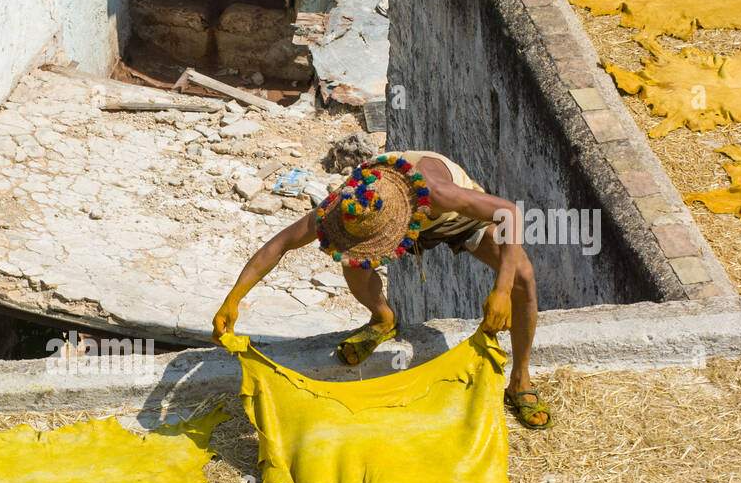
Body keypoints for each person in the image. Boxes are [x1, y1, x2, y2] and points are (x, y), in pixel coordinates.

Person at [211, 150, 550, 429]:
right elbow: (279, 245)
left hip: (453, 220)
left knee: (523, 277)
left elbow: (508, 213)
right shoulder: (346, 206)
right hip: (406, 218)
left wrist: (502, 291)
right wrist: (233, 299)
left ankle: (520, 379)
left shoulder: (438, 194)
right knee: (351, 261)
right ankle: (384, 319)